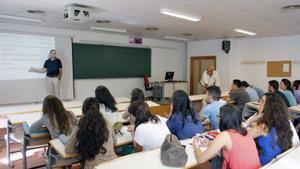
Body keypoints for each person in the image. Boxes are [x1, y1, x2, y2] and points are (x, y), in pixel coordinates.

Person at [192, 104, 260, 169]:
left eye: (218, 116)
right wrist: (208, 143)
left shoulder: (224, 135)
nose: (217, 117)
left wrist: (196, 146)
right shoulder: (245, 132)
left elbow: (200, 159)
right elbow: (232, 148)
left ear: (224, 119)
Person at [65, 97, 117, 169]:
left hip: (93, 166)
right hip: (114, 164)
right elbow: (115, 142)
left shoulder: (80, 125)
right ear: (98, 110)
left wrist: (81, 149)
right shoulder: (107, 123)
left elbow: (68, 150)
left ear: (83, 111)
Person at [244, 93, 294, 166]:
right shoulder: (284, 121)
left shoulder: (263, 127)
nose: (259, 104)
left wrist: (248, 122)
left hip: (263, 164)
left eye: (262, 101)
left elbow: (240, 138)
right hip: (277, 162)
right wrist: (254, 124)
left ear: (269, 106)